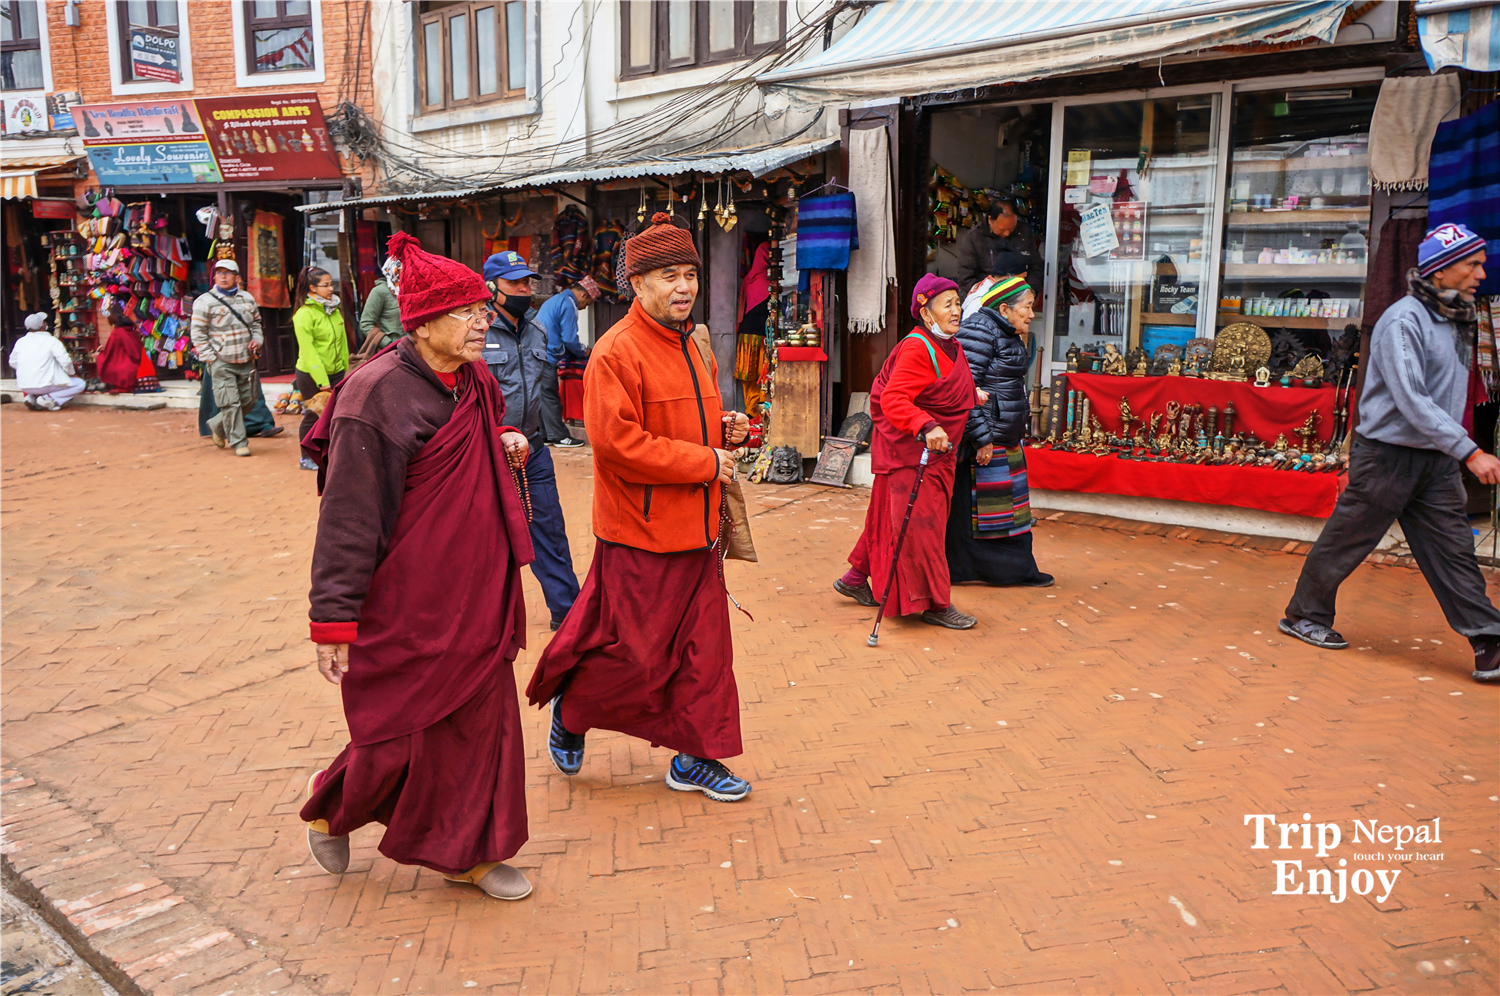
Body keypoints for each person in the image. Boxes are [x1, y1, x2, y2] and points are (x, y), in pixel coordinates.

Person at [299, 232, 537, 901]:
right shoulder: (374, 397)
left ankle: (474, 853)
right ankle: (331, 808)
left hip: (479, 592)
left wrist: (500, 439)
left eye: (482, 311)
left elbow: (468, 439)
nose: (481, 323)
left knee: (483, 728)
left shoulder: (475, 377)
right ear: (422, 322)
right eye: (466, 313)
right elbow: (349, 519)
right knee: (395, 733)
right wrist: (333, 620)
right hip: (410, 601)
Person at [526, 212, 754, 801]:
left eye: (690, 275)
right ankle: (572, 711)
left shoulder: (693, 342)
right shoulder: (615, 352)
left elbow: (685, 420)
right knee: (637, 656)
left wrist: (724, 429)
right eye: (668, 276)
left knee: (706, 656)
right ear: (638, 283)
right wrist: (704, 462)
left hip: (700, 531)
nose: (684, 287)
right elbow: (618, 444)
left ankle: (696, 757)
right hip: (641, 532)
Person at [1280, 224, 1500, 685]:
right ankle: (1304, 614)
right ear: (1442, 268)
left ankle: (1489, 642)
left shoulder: (1458, 316)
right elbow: (1411, 398)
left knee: (1454, 550)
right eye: (1472, 263)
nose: (1482, 272)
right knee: (1348, 540)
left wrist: (1452, 447)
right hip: (1386, 456)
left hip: (1435, 459)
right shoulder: (1403, 320)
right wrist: (1470, 450)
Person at [834, 274, 983, 630]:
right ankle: (935, 603)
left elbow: (943, 388)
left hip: (937, 453)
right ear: (926, 312)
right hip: (912, 453)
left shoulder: (951, 345)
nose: (957, 310)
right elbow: (894, 398)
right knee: (923, 529)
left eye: (958, 302)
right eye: (948, 304)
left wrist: (970, 397)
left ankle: (855, 578)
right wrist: (926, 425)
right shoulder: (919, 346)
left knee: (888, 521)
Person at [480, 249, 582, 631]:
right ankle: (487, 620)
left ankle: (567, 611)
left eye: (527, 282)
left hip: (534, 451)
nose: (524, 289)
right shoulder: (477, 332)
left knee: (549, 531)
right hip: (488, 452)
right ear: (492, 288)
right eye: (515, 283)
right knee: (485, 539)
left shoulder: (538, 330)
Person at [949, 276, 1053, 587]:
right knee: (982, 511)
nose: (1031, 315)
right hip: (987, 437)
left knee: (1007, 510)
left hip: (1004, 435)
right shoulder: (980, 330)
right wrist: (982, 437)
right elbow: (965, 389)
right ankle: (986, 570)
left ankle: (1010, 570)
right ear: (1005, 308)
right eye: (1027, 308)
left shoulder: (1006, 331)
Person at [190, 259, 263, 457]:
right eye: (219, 272)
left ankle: (216, 424)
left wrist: (257, 340)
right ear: (214, 276)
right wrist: (210, 358)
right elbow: (197, 333)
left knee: (250, 399)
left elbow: (256, 323)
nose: (223, 276)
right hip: (221, 360)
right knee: (230, 403)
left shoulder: (247, 298)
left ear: (236, 277)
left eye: (228, 273)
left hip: (246, 359)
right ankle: (239, 442)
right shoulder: (205, 301)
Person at [291, 266, 351, 467]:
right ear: (312, 288)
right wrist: (322, 382)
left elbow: (342, 342)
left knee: (336, 415)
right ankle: (306, 457)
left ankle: (330, 453)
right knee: (313, 415)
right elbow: (309, 351)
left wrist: (345, 371)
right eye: (325, 285)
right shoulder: (304, 314)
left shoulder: (333, 309)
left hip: (336, 372)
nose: (330, 289)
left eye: (331, 284)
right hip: (312, 374)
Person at [532, 276, 597, 447]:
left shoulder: (557, 299)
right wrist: (584, 351)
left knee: (543, 396)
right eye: (588, 304)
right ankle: (559, 436)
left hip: (537, 352)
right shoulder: (568, 304)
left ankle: (545, 434)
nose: (585, 308)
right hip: (545, 354)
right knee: (551, 396)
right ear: (583, 296)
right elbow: (569, 339)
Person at [954, 197, 1043, 299]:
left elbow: (1036, 266)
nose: (1007, 233)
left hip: (1020, 298)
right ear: (990, 220)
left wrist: (1031, 291)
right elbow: (966, 278)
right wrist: (997, 286)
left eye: (1011, 228)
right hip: (986, 299)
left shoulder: (1024, 233)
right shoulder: (974, 238)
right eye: (1002, 229)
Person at [9, 313, 84, 411]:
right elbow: (65, 361)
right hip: (45, 385)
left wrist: (29, 369)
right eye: (44, 322)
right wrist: (72, 373)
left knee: (41, 382)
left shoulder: (20, 342)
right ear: (42, 326)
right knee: (80, 384)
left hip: (25, 386)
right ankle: (48, 399)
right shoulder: (51, 341)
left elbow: (12, 362)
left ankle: (31, 397)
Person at [358, 257, 403, 352]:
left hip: (417, 352)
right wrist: (388, 344)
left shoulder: (415, 290)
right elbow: (366, 324)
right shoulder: (380, 292)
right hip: (393, 353)